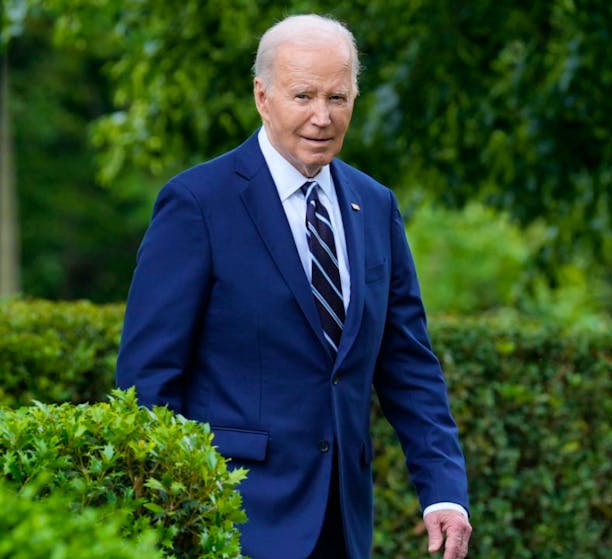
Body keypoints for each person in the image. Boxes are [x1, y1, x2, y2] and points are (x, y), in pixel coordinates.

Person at [116, 14, 472, 559]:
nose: (322, 117)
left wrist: (444, 494)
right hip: (229, 520)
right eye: (303, 96)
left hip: (344, 522)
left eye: (339, 97)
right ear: (263, 96)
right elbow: (148, 380)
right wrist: (163, 520)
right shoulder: (197, 204)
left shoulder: (375, 205)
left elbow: (408, 363)